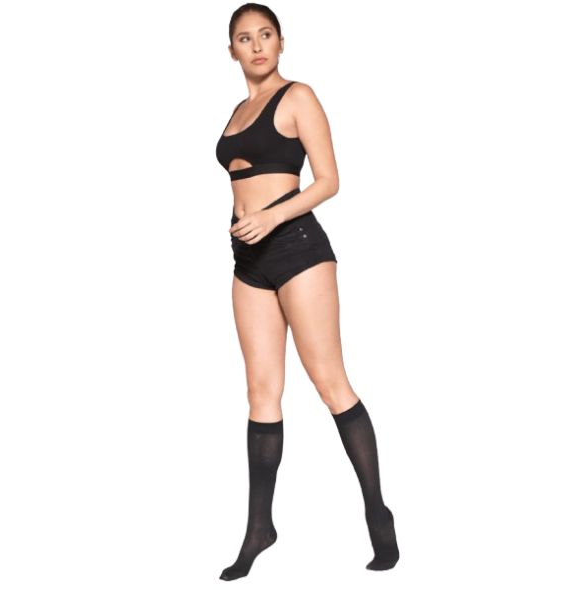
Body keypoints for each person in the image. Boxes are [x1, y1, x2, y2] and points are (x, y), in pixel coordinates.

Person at [215, 3, 400, 581]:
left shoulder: (298, 97)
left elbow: (329, 180)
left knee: (330, 382)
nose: (256, 46)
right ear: (231, 50)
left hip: (296, 247)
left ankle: (377, 513)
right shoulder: (236, 112)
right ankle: (259, 529)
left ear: (281, 41)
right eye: (245, 38)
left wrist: (269, 217)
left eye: (265, 34)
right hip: (248, 261)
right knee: (261, 392)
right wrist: (245, 224)